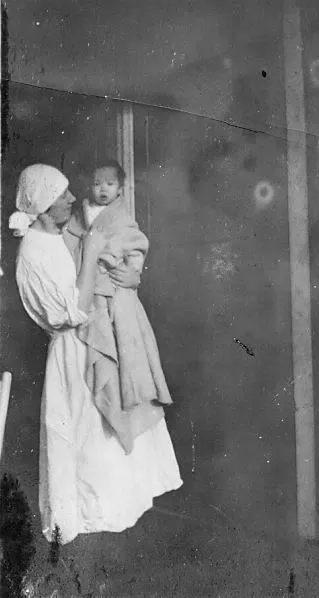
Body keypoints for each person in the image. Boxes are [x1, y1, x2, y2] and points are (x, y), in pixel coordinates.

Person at [9, 164, 182, 545]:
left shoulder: (57, 235)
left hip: (94, 339)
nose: (73, 199)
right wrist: (89, 255)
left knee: (106, 434)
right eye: (63, 196)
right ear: (43, 205)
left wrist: (132, 276)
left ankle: (116, 513)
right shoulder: (34, 253)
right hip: (74, 350)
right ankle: (92, 520)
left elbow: (114, 259)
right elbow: (74, 311)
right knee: (87, 437)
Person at [63, 159, 173, 455]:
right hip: (86, 298)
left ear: (121, 188)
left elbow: (135, 244)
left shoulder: (121, 217)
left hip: (117, 297)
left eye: (110, 184)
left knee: (124, 361)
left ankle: (127, 433)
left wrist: (131, 270)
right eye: (97, 183)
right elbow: (72, 248)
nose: (102, 189)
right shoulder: (78, 216)